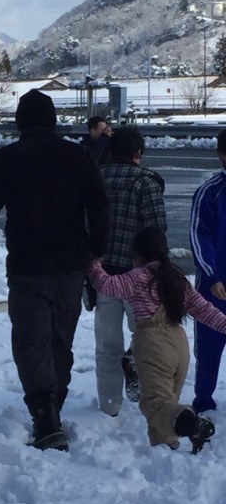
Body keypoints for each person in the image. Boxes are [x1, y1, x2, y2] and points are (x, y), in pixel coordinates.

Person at [0, 89, 109, 451]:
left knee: (31, 339)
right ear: (53, 120)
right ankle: (53, 405)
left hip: (28, 266)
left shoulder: (8, 157)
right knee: (60, 338)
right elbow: (99, 207)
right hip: (71, 266)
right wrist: (97, 250)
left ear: (20, 122)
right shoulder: (78, 156)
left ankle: (45, 416)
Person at [88, 227, 221, 453]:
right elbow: (205, 311)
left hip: (153, 343)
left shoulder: (139, 276)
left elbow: (107, 286)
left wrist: (93, 264)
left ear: (138, 254)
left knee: (155, 404)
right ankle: (166, 448)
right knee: (168, 401)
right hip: (179, 344)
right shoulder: (177, 278)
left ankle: (192, 425)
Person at [95, 125, 167, 416]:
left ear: (111, 152)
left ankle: (110, 405)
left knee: (107, 343)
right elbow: (157, 230)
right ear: (139, 153)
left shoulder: (96, 179)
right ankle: (152, 398)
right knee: (146, 337)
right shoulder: (146, 182)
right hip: (139, 277)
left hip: (103, 274)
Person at [189, 128, 226, 414]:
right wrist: (212, 276)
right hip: (215, 288)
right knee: (209, 346)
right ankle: (203, 401)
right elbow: (200, 237)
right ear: (221, 155)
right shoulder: (209, 193)